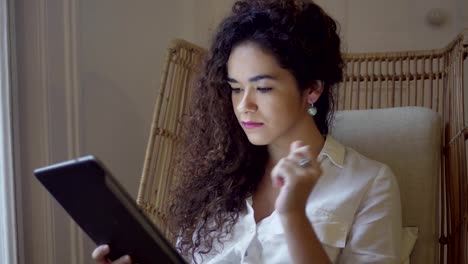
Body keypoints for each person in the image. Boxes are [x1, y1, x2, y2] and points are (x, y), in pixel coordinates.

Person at [92, 0, 402, 263]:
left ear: (312, 89)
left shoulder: (368, 183)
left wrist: (294, 215)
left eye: (263, 88)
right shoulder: (219, 180)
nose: (244, 105)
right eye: (236, 89)